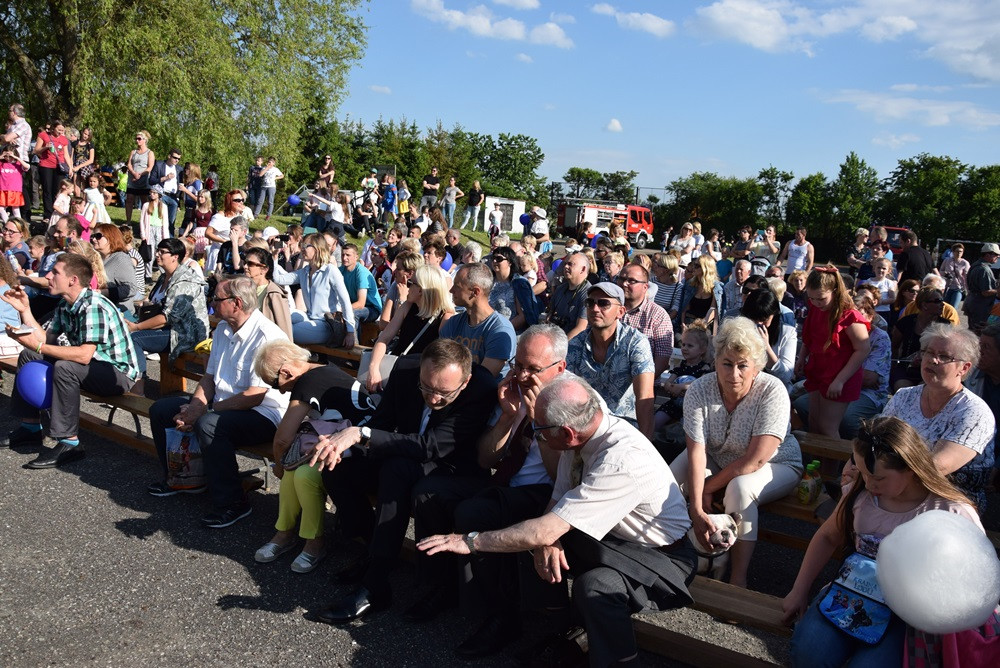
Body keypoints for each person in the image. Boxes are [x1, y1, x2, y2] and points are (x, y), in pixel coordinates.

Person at [418, 374, 698, 667]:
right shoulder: (582, 437)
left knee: (594, 586)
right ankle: (563, 633)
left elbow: (546, 525)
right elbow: (558, 499)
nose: (537, 435)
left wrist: (469, 541)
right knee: (533, 535)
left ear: (566, 433)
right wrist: (549, 537)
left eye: (540, 431)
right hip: (611, 540)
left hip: (662, 558)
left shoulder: (620, 461)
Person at [307, 339, 499, 624]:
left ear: (465, 380)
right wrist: (341, 445)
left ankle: (375, 585)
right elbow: (383, 422)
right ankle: (375, 549)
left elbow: (431, 447)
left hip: (450, 466)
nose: (433, 399)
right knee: (338, 466)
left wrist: (362, 434)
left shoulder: (480, 388)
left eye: (443, 393)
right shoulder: (407, 368)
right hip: (407, 453)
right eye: (426, 387)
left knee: (396, 470)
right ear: (421, 368)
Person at [782, 417, 984, 667]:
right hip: (852, 594)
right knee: (808, 653)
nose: (867, 483)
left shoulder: (951, 512)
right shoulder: (861, 494)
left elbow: (976, 577)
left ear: (911, 468)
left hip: (907, 620)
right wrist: (799, 590)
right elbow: (827, 536)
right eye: (862, 472)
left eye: (878, 478)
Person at [147, 276, 290, 527]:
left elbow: (256, 394)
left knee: (209, 424)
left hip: (264, 414)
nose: (211, 303)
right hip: (227, 407)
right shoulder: (224, 328)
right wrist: (195, 407)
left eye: (216, 299)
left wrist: (204, 411)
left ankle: (233, 503)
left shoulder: (267, 336)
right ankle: (182, 477)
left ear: (235, 303)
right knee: (161, 409)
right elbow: (209, 378)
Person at [670, 317, 802, 587]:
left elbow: (756, 459)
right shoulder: (699, 389)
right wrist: (696, 509)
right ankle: (669, 552)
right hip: (720, 460)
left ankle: (737, 578)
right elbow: (696, 452)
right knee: (671, 477)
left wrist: (706, 489)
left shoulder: (772, 390)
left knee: (739, 489)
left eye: (743, 366)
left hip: (777, 464)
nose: (734, 374)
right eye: (726, 364)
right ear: (715, 361)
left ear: (756, 367)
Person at [0, 254, 141, 467]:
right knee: (28, 355)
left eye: (55, 272)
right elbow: (45, 340)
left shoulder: (93, 305)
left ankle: (70, 442)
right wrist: (25, 310)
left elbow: (83, 354)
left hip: (117, 375)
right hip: (91, 366)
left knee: (65, 367)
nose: (48, 276)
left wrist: (38, 346)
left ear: (73, 280)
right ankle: (30, 428)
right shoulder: (66, 305)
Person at [252, 340, 376, 573]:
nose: (279, 390)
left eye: (274, 383)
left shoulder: (307, 381)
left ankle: (314, 543)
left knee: (305, 474)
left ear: (286, 371)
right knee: (295, 472)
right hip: (352, 445)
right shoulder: (323, 371)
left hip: (360, 453)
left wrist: (278, 465)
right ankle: (284, 533)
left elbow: (282, 438)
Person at [880, 323, 996, 509]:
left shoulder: (974, 412)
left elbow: (936, 467)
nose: (933, 360)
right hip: (893, 486)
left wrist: (876, 478)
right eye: (928, 352)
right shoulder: (904, 396)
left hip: (949, 501)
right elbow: (876, 438)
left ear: (964, 368)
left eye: (943, 356)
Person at [794, 295, 891, 439]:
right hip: (832, 383)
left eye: (860, 315)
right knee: (802, 405)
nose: (853, 322)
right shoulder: (838, 328)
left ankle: (848, 454)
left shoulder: (879, 337)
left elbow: (870, 378)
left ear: (870, 317)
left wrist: (838, 375)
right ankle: (815, 455)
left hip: (869, 392)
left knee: (843, 420)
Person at [567, 281, 655, 438]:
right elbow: (567, 391)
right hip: (585, 427)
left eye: (603, 304)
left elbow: (645, 397)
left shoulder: (635, 343)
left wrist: (645, 445)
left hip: (624, 427)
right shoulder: (575, 344)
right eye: (590, 303)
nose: (595, 309)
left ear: (620, 312)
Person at [796, 266, 871, 438]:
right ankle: (816, 464)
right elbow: (810, 337)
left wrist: (839, 381)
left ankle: (833, 465)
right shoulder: (816, 307)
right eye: (811, 298)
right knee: (814, 423)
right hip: (819, 370)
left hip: (840, 374)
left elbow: (863, 348)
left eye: (821, 298)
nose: (815, 303)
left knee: (827, 427)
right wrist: (801, 358)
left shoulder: (849, 315)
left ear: (835, 291)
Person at [364, 265, 455, 393]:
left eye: (411, 283)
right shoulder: (408, 306)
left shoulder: (445, 318)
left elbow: (442, 359)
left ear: (421, 290)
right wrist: (374, 368)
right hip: (396, 368)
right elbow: (383, 338)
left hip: (419, 379)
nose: (407, 287)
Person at [127, 236, 208, 376]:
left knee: (135, 338)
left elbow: (168, 317)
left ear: (175, 257)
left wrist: (137, 327)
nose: (157, 254)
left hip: (186, 334)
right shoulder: (163, 277)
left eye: (162, 251)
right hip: (168, 328)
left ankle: (138, 384)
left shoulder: (185, 281)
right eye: (157, 250)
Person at [272, 233, 356, 347]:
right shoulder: (305, 271)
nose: (302, 248)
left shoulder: (330, 270)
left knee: (288, 330)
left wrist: (350, 332)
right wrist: (274, 257)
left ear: (317, 248)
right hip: (309, 317)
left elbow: (345, 300)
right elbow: (278, 279)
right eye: (302, 245)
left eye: (306, 245)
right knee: (280, 315)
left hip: (326, 324)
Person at [442, 262, 516, 378]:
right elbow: (440, 363)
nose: (451, 290)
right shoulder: (453, 323)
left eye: (457, 286)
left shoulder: (500, 330)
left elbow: (483, 380)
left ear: (475, 292)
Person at [889, 287, 951, 391]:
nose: (942, 304)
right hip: (906, 369)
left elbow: (948, 352)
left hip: (933, 369)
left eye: (942, 300)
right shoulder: (905, 322)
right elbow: (894, 347)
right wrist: (894, 368)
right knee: (903, 390)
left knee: (925, 390)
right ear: (924, 305)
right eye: (937, 301)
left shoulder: (945, 325)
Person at [655, 321, 713, 429]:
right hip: (674, 406)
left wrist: (681, 387)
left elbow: (700, 383)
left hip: (694, 408)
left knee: (687, 430)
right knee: (655, 421)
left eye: (690, 346)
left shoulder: (704, 368)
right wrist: (669, 386)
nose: (684, 348)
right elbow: (669, 381)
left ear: (702, 350)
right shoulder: (682, 366)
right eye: (683, 344)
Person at [618, 263, 673, 377]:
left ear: (645, 287)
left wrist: (640, 384)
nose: (624, 284)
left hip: (641, 384)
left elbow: (662, 359)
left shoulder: (658, 316)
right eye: (621, 279)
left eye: (631, 281)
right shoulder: (607, 307)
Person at [740, 289, 796, 388]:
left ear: (774, 315)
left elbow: (786, 376)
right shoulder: (740, 328)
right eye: (754, 319)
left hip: (775, 387)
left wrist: (766, 347)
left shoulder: (787, 332)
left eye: (763, 320)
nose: (758, 324)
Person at [242, 246, 292, 339]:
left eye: (250, 264)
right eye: (245, 262)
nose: (245, 266)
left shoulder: (274, 294)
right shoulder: (242, 289)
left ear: (264, 269)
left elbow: (285, 329)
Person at [90, 223, 140, 315]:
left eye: (98, 236)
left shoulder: (121, 259)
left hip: (119, 314)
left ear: (111, 238)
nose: (93, 239)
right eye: (92, 236)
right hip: (100, 311)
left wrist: (103, 292)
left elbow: (131, 289)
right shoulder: (97, 258)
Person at [545, 252, 591, 339]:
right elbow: (549, 316)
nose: (565, 266)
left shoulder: (588, 293)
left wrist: (561, 347)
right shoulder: (560, 289)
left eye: (570, 264)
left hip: (572, 343)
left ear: (583, 269)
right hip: (554, 336)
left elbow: (581, 328)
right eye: (565, 263)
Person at [34, 120, 73, 220]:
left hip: (58, 167)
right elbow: (36, 150)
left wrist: (70, 168)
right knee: (47, 189)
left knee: (57, 190)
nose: (60, 132)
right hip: (46, 165)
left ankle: (56, 211)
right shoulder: (43, 135)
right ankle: (48, 214)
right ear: (53, 128)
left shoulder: (64, 139)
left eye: (62, 130)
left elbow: (66, 155)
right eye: (59, 130)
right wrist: (45, 147)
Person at [676, 254, 724, 333]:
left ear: (706, 268)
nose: (693, 268)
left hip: (706, 324)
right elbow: (684, 308)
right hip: (689, 321)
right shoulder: (690, 285)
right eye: (694, 264)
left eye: (697, 266)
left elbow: (713, 311)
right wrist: (683, 324)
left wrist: (700, 326)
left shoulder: (716, 288)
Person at [340, 243, 382, 329]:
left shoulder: (361, 273)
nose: (344, 258)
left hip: (371, 309)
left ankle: (354, 341)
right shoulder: (341, 270)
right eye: (343, 255)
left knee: (353, 314)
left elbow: (360, 303)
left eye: (348, 255)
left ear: (356, 257)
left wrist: (341, 309)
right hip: (353, 305)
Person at [204, 190, 247, 272]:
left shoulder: (240, 216)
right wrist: (225, 241)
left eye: (242, 200)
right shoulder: (220, 217)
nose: (241, 202)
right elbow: (207, 233)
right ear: (229, 202)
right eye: (237, 200)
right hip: (220, 253)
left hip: (236, 253)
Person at [3, 104, 33, 223]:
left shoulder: (23, 125)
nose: (9, 112)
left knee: (21, 188)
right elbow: (5, 139)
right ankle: (13, 216)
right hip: (11, 160)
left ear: (15, 112)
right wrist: (5, 137)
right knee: (10, 186)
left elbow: (5, 139)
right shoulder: (14, 126)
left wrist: (5, 137)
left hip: (20, 160)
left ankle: (25, 216)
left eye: (10, 110)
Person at [964, 242, 999, 333]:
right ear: (988, 254)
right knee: (978, 332)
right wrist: (998, 290)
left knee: (972, 331)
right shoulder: (984, 269)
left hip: (972, 302)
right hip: (980, 305)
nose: (998, 257)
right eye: (996, 255)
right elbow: (985, 292)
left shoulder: (975, 264)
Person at [148, 148, 183, 231]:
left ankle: (169, 240)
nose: (177, 160)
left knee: (171, 222)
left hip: (173, 197)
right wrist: (165, 178)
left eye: (179, 159)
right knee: (159, 220)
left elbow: (181, 183)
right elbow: (151, 181)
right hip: (161, 196)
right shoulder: (159, 165)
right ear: (169, 156)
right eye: (175, 158)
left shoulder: (179, 169)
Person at [124, 130, 154, 224]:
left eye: (139, 139)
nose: (137, 141)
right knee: (129, 199)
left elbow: (150, 167)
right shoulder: (133, 152)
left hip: (143, 179)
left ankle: (146, 221)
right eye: (136, 139)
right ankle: (128, 220)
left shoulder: (150, 153)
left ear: (145, 140)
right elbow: (129, 164)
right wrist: (133, 172)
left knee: (144, 200)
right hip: (132, 179)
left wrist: (140, 175)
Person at [139, 185, 170, 257]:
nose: (152, 194)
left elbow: (165, 222)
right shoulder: (146, 205)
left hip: (159, 230)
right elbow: (142, 221)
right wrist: (143, 234)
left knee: (160, 251)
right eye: (151, 192)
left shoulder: (164, 206)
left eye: (154, 193)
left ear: (159, 194)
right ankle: (148, 267)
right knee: (150, 252)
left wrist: (166, 237)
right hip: (149, 229)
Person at [940, 243, 970, 310]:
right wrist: (945, 273)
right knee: (943, 306)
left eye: (961, 251)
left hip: (958, 288)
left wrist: (968, 290)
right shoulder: (947, 260)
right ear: (953, 252)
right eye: (957, 251)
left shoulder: (965, 263)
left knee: (953, 307)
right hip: (947, 287)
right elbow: (940, 271)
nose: (959, 253)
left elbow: (967, 277)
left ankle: (952, 319)